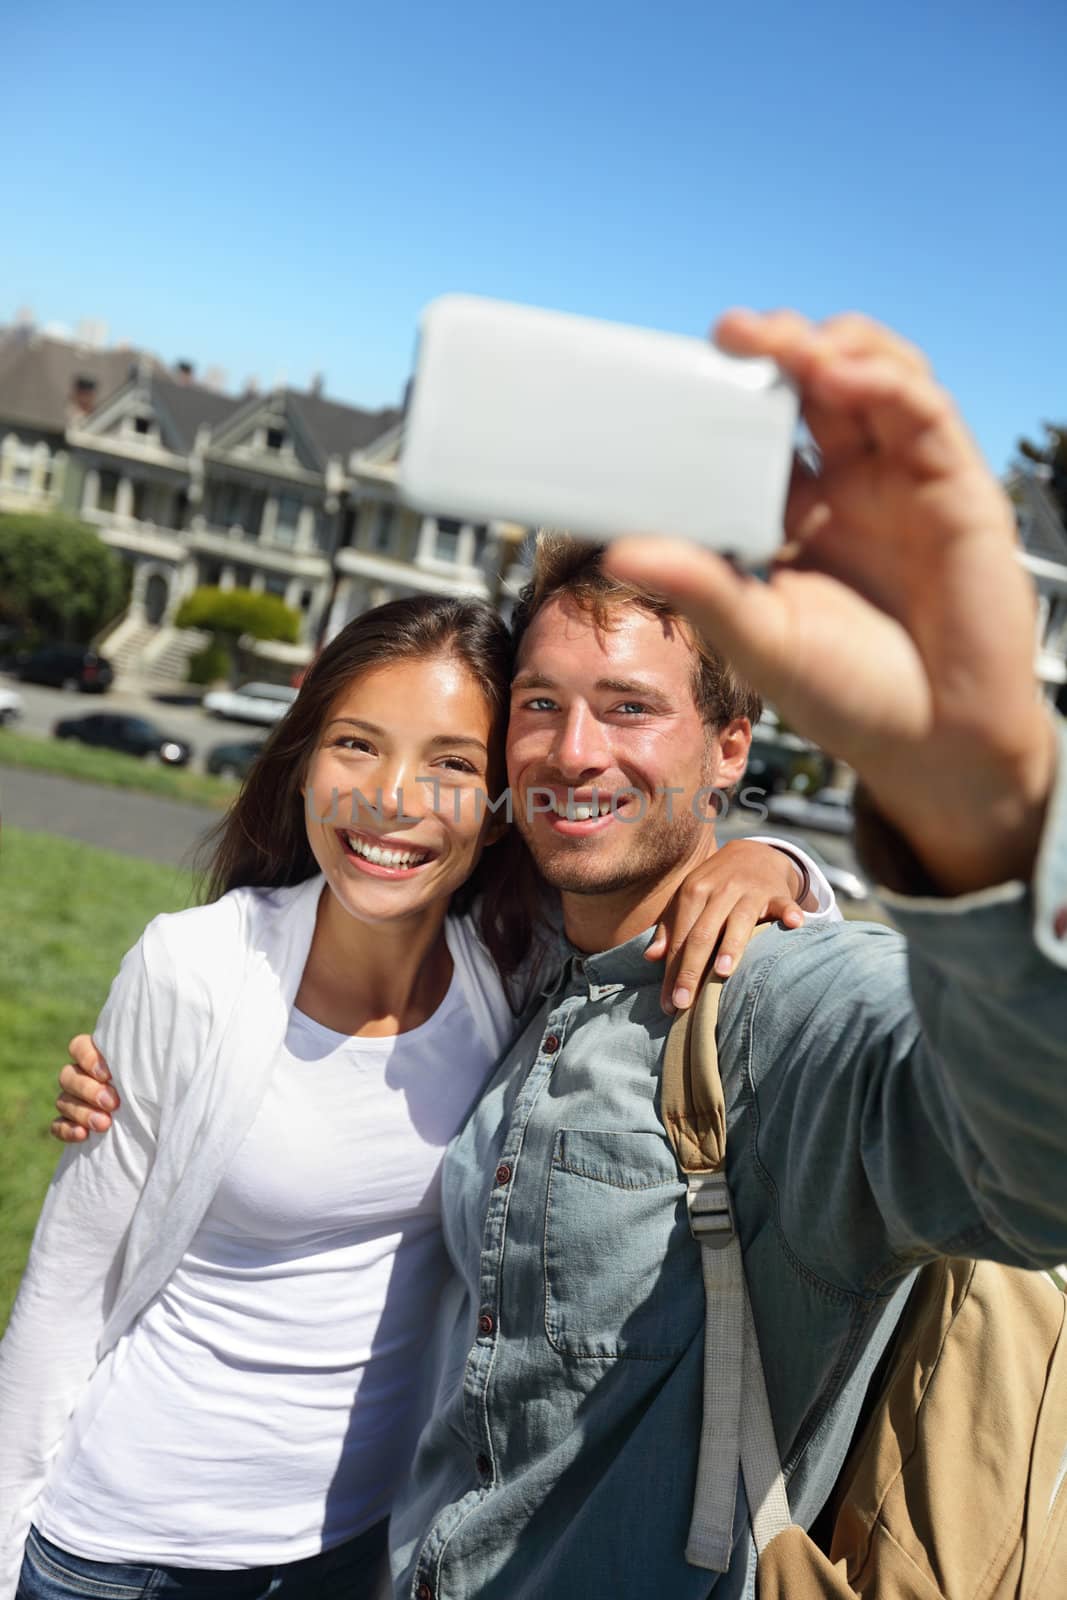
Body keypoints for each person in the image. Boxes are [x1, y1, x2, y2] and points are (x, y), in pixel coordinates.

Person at [36, 306, 1066, 1600]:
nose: (573, 752)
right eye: (540, 706)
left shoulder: (770, 1003)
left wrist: (984, 813)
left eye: (629, 708)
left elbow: (1028, 1169)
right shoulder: (524, 959)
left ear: (730, 750)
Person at [0, 593, 831, 1600]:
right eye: (356, 744)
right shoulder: (198, 967)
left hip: (355, 1554)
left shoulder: (510, 975)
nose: (390, 797)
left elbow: (654, 875)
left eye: (449, 763)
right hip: (126, 1551)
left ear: (494, 809)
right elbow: (61, 1296)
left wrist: (774, 857)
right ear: (306, 758)